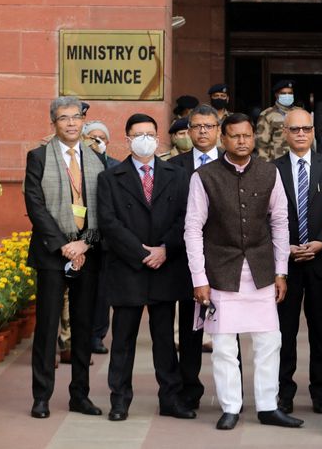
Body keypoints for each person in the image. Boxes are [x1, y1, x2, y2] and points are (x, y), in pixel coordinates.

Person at [184, 113, 304, 431]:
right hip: (220, 272)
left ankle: (267, 406)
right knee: (223, 345)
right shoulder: (204, 176)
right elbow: (192, 228)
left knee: (269, 341)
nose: (241, 141)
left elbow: (280, 222)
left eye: (247, 136)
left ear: (254, 138)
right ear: (223, 139)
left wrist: (281, 272)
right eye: (235, 136)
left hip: (262, 271)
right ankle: (230, 407)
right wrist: (200, 279)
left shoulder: (269, 173)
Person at [97, 113, 195, 422]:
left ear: (158, 137)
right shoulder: (110, 177)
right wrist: (141, 253)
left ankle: (170, 398)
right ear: (127, 139)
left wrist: (165, 249)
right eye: (138, 134)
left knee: (165, 340)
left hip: (165, 267)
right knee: (123, 340)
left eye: (150, 133)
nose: (145, 139)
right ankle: (120, 400)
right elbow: (109, 222)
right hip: (129, 268)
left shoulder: (177, 175)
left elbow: (186, 218)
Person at [24, 96, 103, 419]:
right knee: (47, 327)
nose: (71, 123)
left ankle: (79, 395)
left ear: (84, 121)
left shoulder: (99, 159)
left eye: (76, 117)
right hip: (52, 253)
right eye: (63, 118)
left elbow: (105, 207)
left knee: (84, 328)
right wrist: (63, 245)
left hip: (88, 251)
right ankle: (41, 396)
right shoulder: (39, 157)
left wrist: (85, 244)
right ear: (53, 123)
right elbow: (35, 205)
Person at [274, 109, 322, 415]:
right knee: (282, 333)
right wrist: (284, 247)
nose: (301, 134)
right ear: (285, 133)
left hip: (321, 261)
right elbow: (264, 217)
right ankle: (283, 392)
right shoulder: (271, 170)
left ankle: (321, 390)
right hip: (285, 265)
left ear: (314, 132)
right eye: (294, 129)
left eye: (306, 129)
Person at [166, 103, 225, 410]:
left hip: (225, 258)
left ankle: (232, 393)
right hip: (186, 259)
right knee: (191, 328)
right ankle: (190, 389)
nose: (203, 131)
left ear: (218, 130)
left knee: (229, 328)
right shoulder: (174, 167)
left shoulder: (231, 162)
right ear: (188, 132)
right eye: (197, 127)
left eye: (209, 126)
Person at [81, 120, 120, 356]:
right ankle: (77, 335)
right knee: (82, 290)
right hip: (81, 237)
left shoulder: (113, 165)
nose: (97, 142)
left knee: (103, 292)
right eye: (92, 138)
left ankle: (97, 335)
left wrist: (102, 159)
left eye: (101, 138)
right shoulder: (76, 163)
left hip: (105, 239)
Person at [256, 79, 297, 161]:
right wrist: (265, 166)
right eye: (283, 93)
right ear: (276, 95)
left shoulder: (300, 112)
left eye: (290, 93)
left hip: (297, 160)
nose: (287, 96)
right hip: (276, 161)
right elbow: (261, 143)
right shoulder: (267, 114)